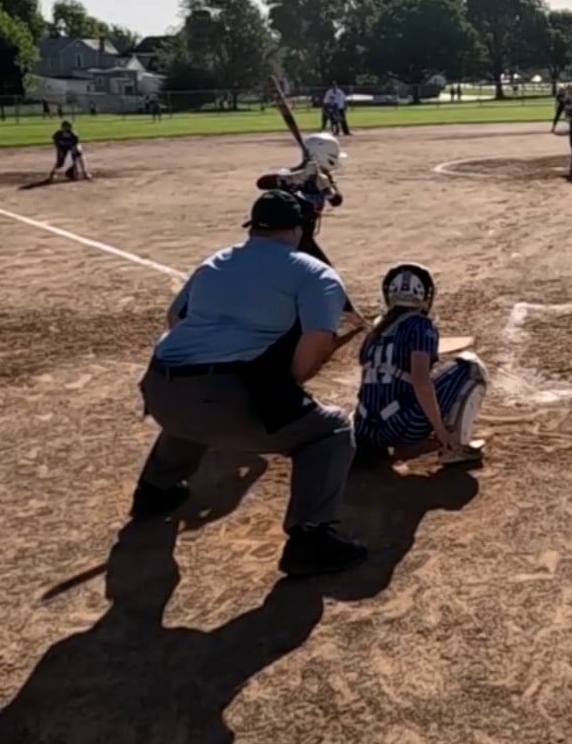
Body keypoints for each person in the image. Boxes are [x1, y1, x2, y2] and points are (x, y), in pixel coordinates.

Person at [130, 190, 366, 577]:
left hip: (158, 388)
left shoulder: (215, 261)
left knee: (195, 407)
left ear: (253, 227)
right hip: (220, 400)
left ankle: (154, 491)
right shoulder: (314, 272)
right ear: (301, 228)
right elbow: (315, 346)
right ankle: (310, 538)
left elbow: (175, 318)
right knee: (333, 430)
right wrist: (282, 388)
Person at [354, 264, 487, 465]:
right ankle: (453, 447)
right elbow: (420, 381)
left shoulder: (376, 329)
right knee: (471, 367)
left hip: (366, 429)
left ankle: (379, 443)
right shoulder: (421, 326)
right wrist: (439, 430)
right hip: (403, 428)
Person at [256, 133, 364, 333]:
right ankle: (348, 314)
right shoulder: (290, 176)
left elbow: (337, 200)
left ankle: (347, 313)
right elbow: (262, 183)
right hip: (283, 239)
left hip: (302, 239)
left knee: (307, 277)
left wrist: (327, 188)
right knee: (323, 275)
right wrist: (296, 177)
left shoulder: (323, 177)